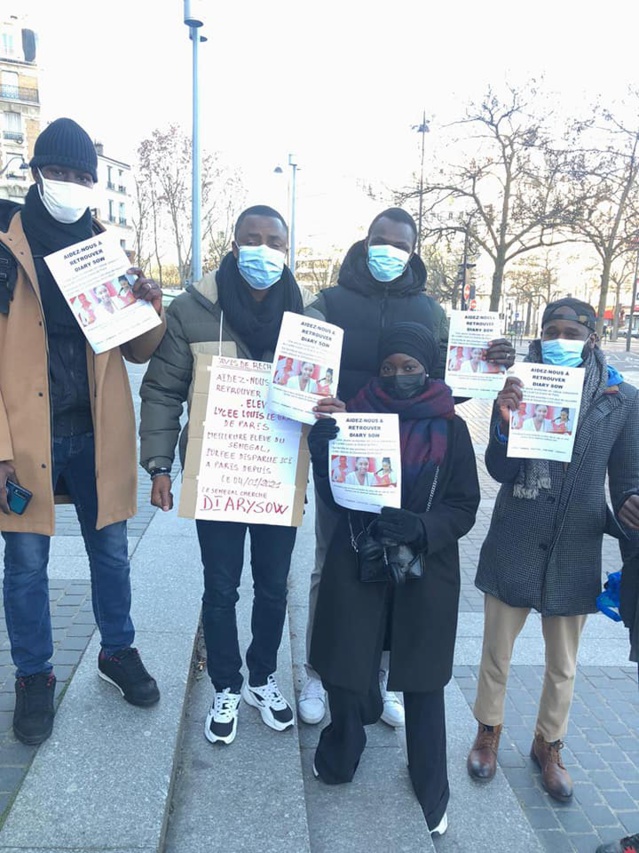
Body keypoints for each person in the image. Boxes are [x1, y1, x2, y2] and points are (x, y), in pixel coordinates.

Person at [298, 206, 515, 728]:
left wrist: (491, 361)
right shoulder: (329, 301)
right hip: (349, 450)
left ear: (412, 250)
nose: (387, 250)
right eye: (380, 239)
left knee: (401, 569)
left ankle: (383, 674)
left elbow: (447, 384)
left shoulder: (432, 311)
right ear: (365, 239)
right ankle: (316, 670)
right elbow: (300, 351)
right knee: (332, 563)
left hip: (417, 463)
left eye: (399, 244)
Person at [0, 117, 165, 745]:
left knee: (111, 554)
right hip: (28, 435)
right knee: (25, 564)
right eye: (58, 173)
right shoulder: (6, 246)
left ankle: (116, 651)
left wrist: (150, 302)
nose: (70, 184)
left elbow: (141, 349)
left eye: (80, 176)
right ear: (36, 174)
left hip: (97, 432)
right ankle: (34, 675)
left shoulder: (103, 248)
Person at [306, 322, 480, 838]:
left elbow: (465, 504)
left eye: (409, 368)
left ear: (427, 369)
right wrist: (324, 453)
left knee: (423, 680)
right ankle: (343, 746)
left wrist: (424, 527)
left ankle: (430, 782)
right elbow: (335, 495)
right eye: (388, 368)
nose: (399, 377)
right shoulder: (354, 417)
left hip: (426, 566)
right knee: (344, 661)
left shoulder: (452, 428)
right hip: (358, 553)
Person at [139, 205, 304, 746]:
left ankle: (263, 677)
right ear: (233, 245)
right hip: (219, 471)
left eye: (273, 241)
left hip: (277, 472)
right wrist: (160, 465)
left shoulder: (307, 315)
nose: (262, 250)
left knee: (275, 586)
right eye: (251, 239)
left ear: (286, 248)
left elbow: (320, 391)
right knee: (221, 586)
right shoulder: (192, 309)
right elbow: (163, 390)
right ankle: (227, 684)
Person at [466, 297, 639, 801]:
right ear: (539, 334)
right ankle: (488, 732)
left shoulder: (620, 397)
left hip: (577, 543)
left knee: (562, 661)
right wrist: (502, 423)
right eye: (552, 329)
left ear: (590, 337)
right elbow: (500, 471)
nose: (560, 338)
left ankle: (549, 743)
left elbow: (627, 476)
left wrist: (631, 501)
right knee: (497, 650)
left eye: (572, 331)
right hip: (516, 533)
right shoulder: (518, 382)